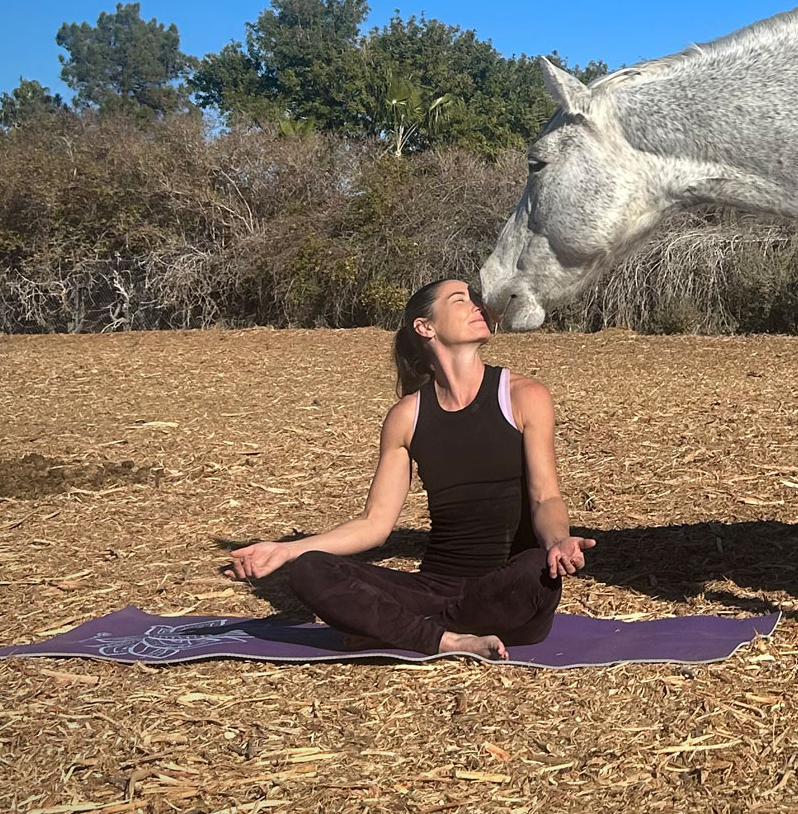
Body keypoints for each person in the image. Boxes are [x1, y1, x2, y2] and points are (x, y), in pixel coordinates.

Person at [224, 278, 592, 659]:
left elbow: (545, 497)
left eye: (475, 301)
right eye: (459, 300)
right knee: (309, 569)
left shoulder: (524, 396)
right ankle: (446, 639)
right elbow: (374, 524)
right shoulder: (406, 417)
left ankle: (399, 629)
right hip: (432, 588)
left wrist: (557, 542)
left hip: (506, 591)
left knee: (534, 570)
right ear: (425, 327)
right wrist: (287, 551)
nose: (477, 307)